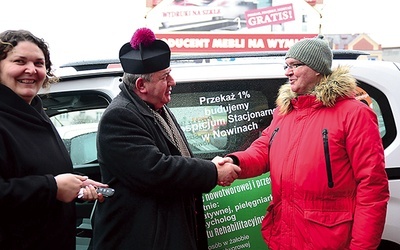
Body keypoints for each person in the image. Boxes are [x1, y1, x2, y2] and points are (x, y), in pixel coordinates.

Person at [219, 36, 389, 249]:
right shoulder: (286, 111)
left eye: (295, 65)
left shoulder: (354, 114)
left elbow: (372, 186)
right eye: (286, 65)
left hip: (329, 239)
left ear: (318, 68)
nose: (287, 72)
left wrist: (362, 247)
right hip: (285, 235)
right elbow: (263, 149)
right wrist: (233, 162)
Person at [91, 27, 241, 250]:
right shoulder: (120, 116)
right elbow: (155, 170)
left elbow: (177, 157)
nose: (173, 82)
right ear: (142, 85)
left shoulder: (155, 107)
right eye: (165, 76)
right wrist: (212, 171)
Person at [0, 29, 108, 250]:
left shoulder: (37, 113)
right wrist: (53, 187)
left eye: (39, 63)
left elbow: (37, 171)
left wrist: (76, 184)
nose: (31, 70)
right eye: (20, 61)